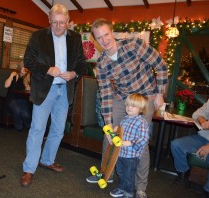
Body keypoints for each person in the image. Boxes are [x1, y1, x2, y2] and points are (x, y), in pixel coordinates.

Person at [87, 18, 168, 198]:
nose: (104, 40)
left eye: (106, 35)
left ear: (112, 32)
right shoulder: (101, 65)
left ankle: (140, 187)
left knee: (141, 141)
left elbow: (161, 66)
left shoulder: (134, 45)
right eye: (99, 38)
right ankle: (105, 174)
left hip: (144, 96)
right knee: (110, 135)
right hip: (122, 98)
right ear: (95, 40)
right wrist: (108, 125)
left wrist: (160, 92)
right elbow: (106, 95)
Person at [20, 3, 87, 187]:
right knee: (37, 129)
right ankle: (29, 168)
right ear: (49, 20)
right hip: (44, 89)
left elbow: (82, 63)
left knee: (58, 129)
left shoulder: (75, 38)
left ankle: (47, 160)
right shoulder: (38, 36)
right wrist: (48, 69)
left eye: (62, 23)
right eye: (54, 22)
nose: (58, 26)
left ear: (68, 22)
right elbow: (29, 61)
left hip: (64, 89)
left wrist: (74, 73)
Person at [110, 93, 149, 198]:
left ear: (140, 109)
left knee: (129, 175)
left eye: (133, 106)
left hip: (131, 156)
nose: (129, 108)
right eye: (127, 105)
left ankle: (128, 192)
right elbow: (120, 135)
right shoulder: (124, 120)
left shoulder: (142, 122)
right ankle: (121, 188)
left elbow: (144, 138)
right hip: (121, 153)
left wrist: (130, 142)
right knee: (120, 172)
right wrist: (116, 131)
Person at [171, 99, 209, 196]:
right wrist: (203, 120)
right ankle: (183, 173)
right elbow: (197, 113)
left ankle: (207, 190)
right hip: (203, 137)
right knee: (176, 145)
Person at [4, 62, 31, 131]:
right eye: (24, 67)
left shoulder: (28, 77)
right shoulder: (14, 74)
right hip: (12, 98)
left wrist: (28, 88)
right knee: (17, 110)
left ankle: (29, 126)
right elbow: (6, 85)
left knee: (26, 114)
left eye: (27, 68)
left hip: (23, 99)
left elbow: (30, 90)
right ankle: (19, 127)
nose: (25, 69)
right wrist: (11, 76)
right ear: (20, 67)